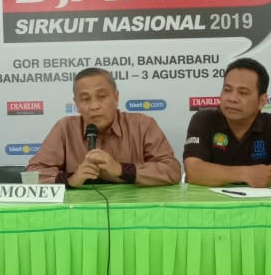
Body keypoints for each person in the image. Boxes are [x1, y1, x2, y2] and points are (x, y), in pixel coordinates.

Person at [26, 67, 180, 187]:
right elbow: (33, 173)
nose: (94, 106)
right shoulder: (65, 128)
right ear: (77, 104)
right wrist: (71, 179)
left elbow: (172, 170)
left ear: (116, 98)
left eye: (102, 96)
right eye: (85, 99)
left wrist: (121, 169)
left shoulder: (142, 124)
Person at [183, 57, 271, 187]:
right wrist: (246, 174)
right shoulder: (204, 120)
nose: (232, 98)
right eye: (227, 90)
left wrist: (220, 174)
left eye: (243, 93)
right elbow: (193, 171)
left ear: (262, 101)